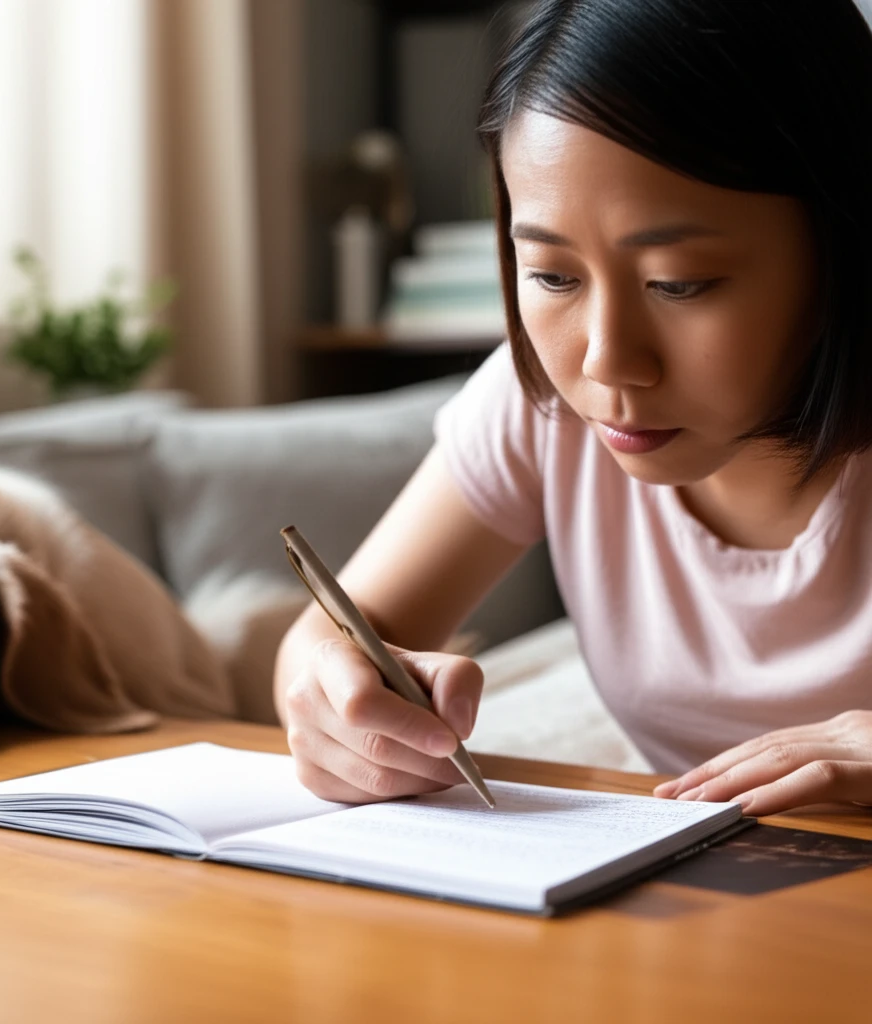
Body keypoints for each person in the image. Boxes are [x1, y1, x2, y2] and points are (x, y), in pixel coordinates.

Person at [273, 0, 872, 817]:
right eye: (554, 276)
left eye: (679, 283)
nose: (604, 360)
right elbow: (335, 631)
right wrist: (334, 706)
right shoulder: (544, 407)